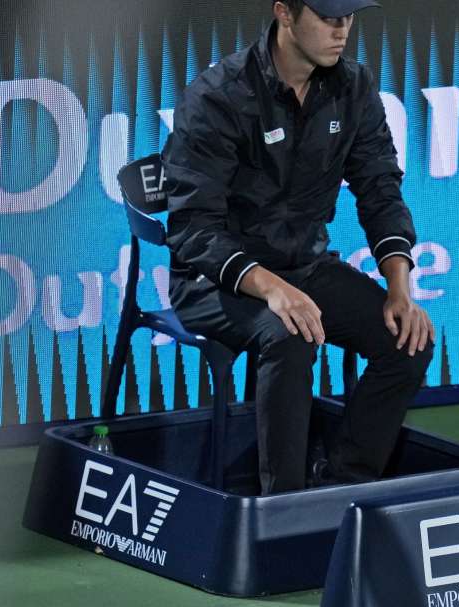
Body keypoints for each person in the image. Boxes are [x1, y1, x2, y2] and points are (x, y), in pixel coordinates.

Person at [162, 0, 434, 495]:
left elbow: (380, 188)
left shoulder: (354, 87)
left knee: (409, 339)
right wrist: (271, 289)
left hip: (305, 267)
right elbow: (193, 228)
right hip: (214, 280)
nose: (342, 30)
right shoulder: (218, 97)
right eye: (328, 18)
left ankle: (341, 485)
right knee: (290, 335)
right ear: (284, 13)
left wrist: (400, 287)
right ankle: (282, 508)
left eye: (349, 18)